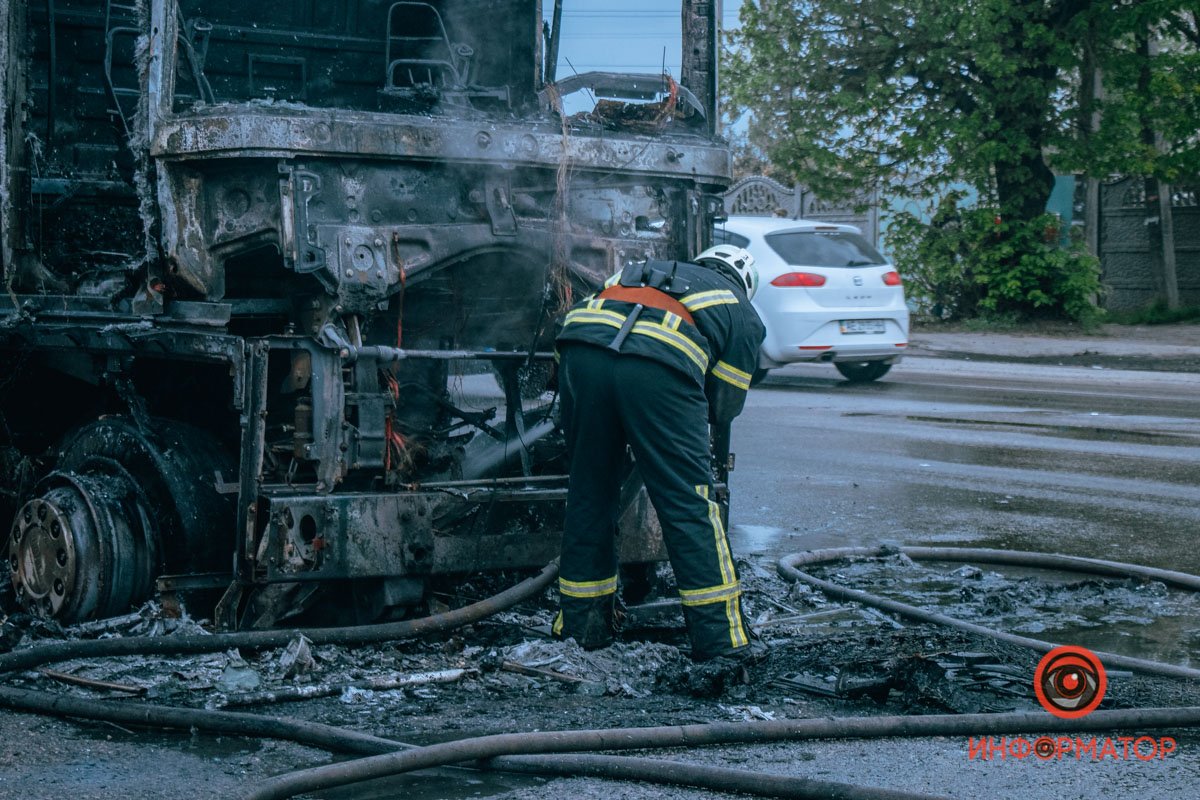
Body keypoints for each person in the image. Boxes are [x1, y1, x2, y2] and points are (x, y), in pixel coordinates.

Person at [552, 245, 766, 662]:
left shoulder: (640, 271)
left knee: (589, 493)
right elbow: (722, 408)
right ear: (745, 284)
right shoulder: (739, 308)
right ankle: (721, 643)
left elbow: (582, 319)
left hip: (580, 352)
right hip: (657, 367)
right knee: (689, 504)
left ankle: (582, 628)